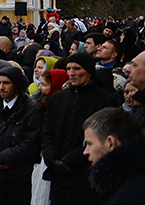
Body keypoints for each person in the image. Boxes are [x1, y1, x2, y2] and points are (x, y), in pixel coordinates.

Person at [40, 50, 117, 205]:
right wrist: (51, 158)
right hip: (58, 177)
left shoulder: (105, 100)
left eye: (77, 69)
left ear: (88, 71)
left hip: (86, 177)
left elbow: (102, 136)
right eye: (68, 69)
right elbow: (47, 132)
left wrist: (70, 160)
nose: (72, 73)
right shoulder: (57, 99)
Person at [0, 65, 43, 205]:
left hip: (19, 176)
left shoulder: (31, 109)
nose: (1, 87)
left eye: (6, 83)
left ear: (16, 84)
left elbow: (31, 142)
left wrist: (2, 158)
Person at [85, 106, 145, 205]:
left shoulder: (137, 190)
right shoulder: (122, 181)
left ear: (110, 143)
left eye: (90, 144)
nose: (85, 152)